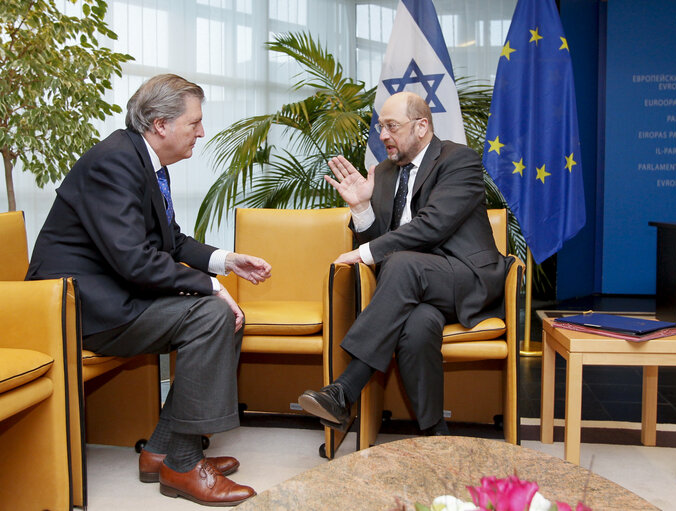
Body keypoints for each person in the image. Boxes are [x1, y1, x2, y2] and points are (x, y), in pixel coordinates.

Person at [26, 74, 271, 507]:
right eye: (194, 122)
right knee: (214, 314)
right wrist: (211, 288)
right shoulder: (114, 162)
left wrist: (226, 261)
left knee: (225, 316)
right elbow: (134, 259)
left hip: (115, 295)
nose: (201, 131)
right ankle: (182, 462)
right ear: (160, 124)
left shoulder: (145, 161)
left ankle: (162, 449)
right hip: (80, 309)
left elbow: (170, 242)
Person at [298, 91, 511, 436]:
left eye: (392, 126)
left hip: (466, 279)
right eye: (381, 126)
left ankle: (345, 390)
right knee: (416, 326)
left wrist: (362, 254)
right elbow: (381, 246)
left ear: (422, 126)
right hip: (415, 292)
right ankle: (434, 432)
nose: (382, 135)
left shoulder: (459, 160)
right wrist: (361, 210)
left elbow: (432, 226)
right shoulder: (382, 173)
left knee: (401, 264)